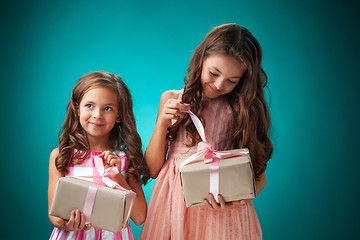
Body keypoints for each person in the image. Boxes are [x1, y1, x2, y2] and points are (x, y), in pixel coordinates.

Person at [140, 24, 273, 239]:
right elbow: (152, 169)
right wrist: (162, 123)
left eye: (232, 81)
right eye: (214, 73)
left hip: (222, 217)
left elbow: (259, 178)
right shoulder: (173, 100)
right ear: (201, 60)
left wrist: (236, 201)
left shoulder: (243, 111)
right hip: (174, 207)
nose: (219, 84)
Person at [48, 71, 150, 240]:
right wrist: (66, 224)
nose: (97, 115)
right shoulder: (61, 156)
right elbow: (55, 214)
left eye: (107, 108)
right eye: (89, 106)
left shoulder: (125, 159)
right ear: (77, 108)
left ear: (118, 115)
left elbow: (139, 217)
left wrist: (118, 179)